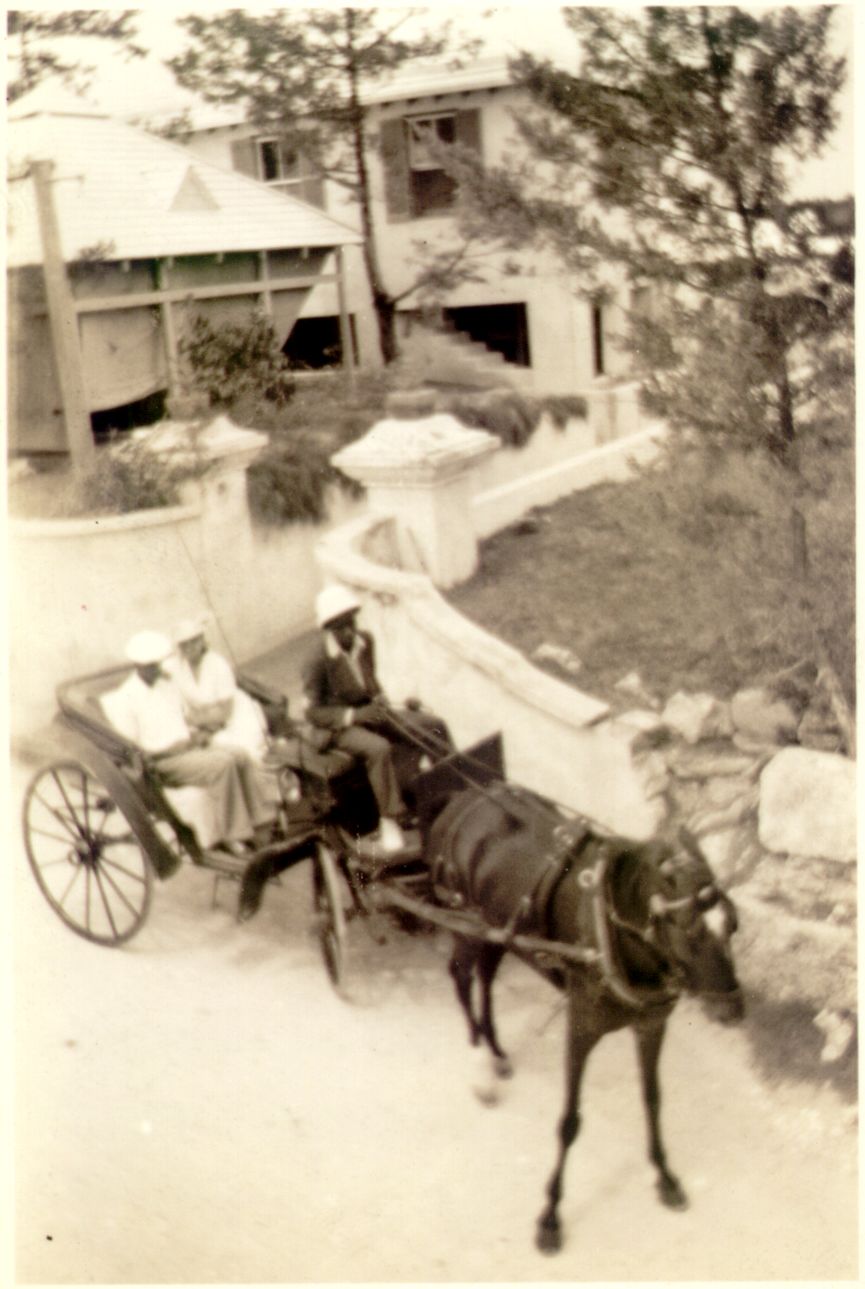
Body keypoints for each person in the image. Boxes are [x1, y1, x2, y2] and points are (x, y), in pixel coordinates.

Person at [302, 586, 453, 855]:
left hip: (370, 712)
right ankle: (390, 821)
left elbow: (370, 682)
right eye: (340, 627)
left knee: (430, 725)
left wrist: (381, 699)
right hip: (335, 726)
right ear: (328, 629)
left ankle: (453, 788)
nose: (349, 632)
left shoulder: (365, 641)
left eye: (351, 622)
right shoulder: (316, 660)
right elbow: (312, 712)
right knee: (378, 748)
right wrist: (354, 716)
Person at [101, 630, 277, 856]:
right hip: (163, 762)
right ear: (140, 666)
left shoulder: (166, 686)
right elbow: (133, 751)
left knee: (239, 754)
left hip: (188, 749)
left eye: (158, 663)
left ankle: (261, 823)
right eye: (153, 665)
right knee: (221, 765)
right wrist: (176, 747)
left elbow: (183, 719)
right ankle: (234, 835)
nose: (159, 668)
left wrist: (197, 735)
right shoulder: (125, 700)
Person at [169, 617, 269, 760]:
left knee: (239, 754)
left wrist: (195, 720)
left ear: (202, 641)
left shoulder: (217, 664)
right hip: (207, 724)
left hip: (237, 718)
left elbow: (224, 712)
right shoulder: (178, 669)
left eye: (194, 641)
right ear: (179, 647)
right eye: (184, 644)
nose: (190, 647)